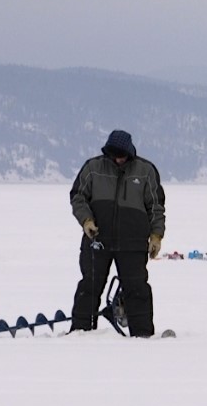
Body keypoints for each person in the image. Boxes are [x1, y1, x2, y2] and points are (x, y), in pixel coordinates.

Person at [69, 130, 166, 335]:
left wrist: (156, 235)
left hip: (133, 243)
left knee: (137, 289)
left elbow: (156, 206)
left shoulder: (146, 170)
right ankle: (80, 333)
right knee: (89, 286)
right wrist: (86, 220)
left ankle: (143, 335)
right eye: (114, 154)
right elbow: (78, 196)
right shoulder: (93, 168)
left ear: (130, 152)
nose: (118, 158)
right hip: (97, 240)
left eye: (122, 154)